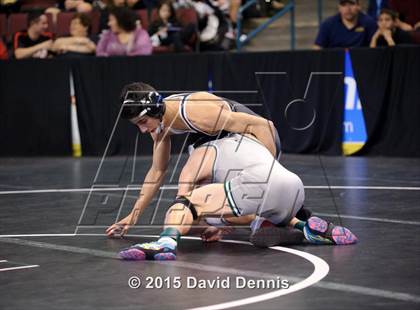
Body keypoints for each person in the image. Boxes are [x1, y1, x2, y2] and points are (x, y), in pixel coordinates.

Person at [105, 82, 357, 260]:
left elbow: (264, 126)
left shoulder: (195, 112)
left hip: (255, 138)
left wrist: (267, 169)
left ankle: (268, 216)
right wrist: (134, 214)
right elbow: (157, 171)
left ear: (154, 111)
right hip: (233, 148)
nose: (142, 130)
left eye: (142, 122)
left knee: (192, 194)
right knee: (210, 209)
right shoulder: (159, 125)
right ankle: (294, 224)